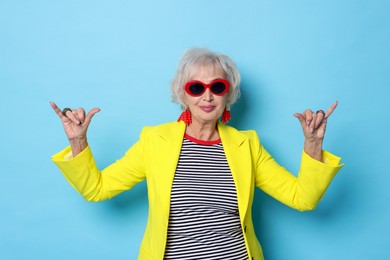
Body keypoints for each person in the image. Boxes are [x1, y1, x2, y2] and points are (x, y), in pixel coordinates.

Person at [51, 48, 344, 260]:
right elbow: (96, 189)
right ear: (182, 94)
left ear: (228, 95)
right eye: (196, 87)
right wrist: (78, 142)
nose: (207, 96)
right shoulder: (155, 141)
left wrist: (313, 143)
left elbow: (302, 198)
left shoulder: (248, 145)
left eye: (217, 87)